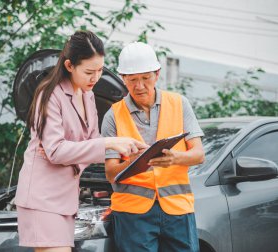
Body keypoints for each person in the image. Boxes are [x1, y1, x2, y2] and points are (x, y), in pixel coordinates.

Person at [14, 31, 147, 252]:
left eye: (100, 70)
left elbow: (92, 143)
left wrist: (125, 151)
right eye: (88, 72)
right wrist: (109, 143)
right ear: (69, 65)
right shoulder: (49, 95)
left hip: (66, 199)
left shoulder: (88, 95)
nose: (95, 78)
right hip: (42, 198)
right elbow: (56, 150)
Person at [101, 41, 205, 252]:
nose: (139, 86)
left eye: (145, 78)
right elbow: (111, 173)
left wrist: (175, 158)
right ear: (123, 79)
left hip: (177, 209)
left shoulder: (179, 103)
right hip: (133, 214)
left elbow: (199, 155)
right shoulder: (113, 115)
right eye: (132, 80)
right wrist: (134, 160)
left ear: (157, 74)